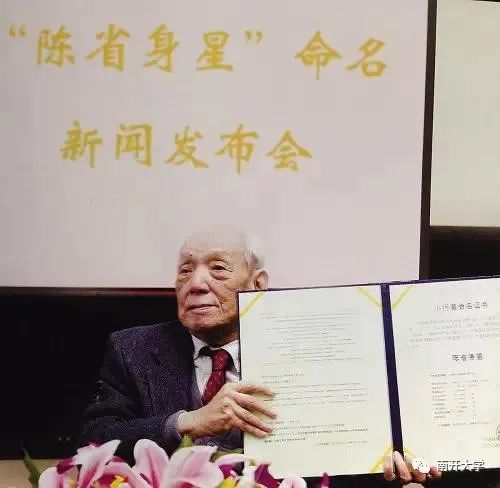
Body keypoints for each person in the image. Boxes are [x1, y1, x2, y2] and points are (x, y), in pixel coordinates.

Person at [80, 226, 498, 487]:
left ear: (258, 283)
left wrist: (397, 465)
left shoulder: (322, 349)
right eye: (185, 270)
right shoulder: (133, 349)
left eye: (218, 269)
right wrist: (189, 421)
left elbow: (347, 452)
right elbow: (94, 442)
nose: (197, 283)